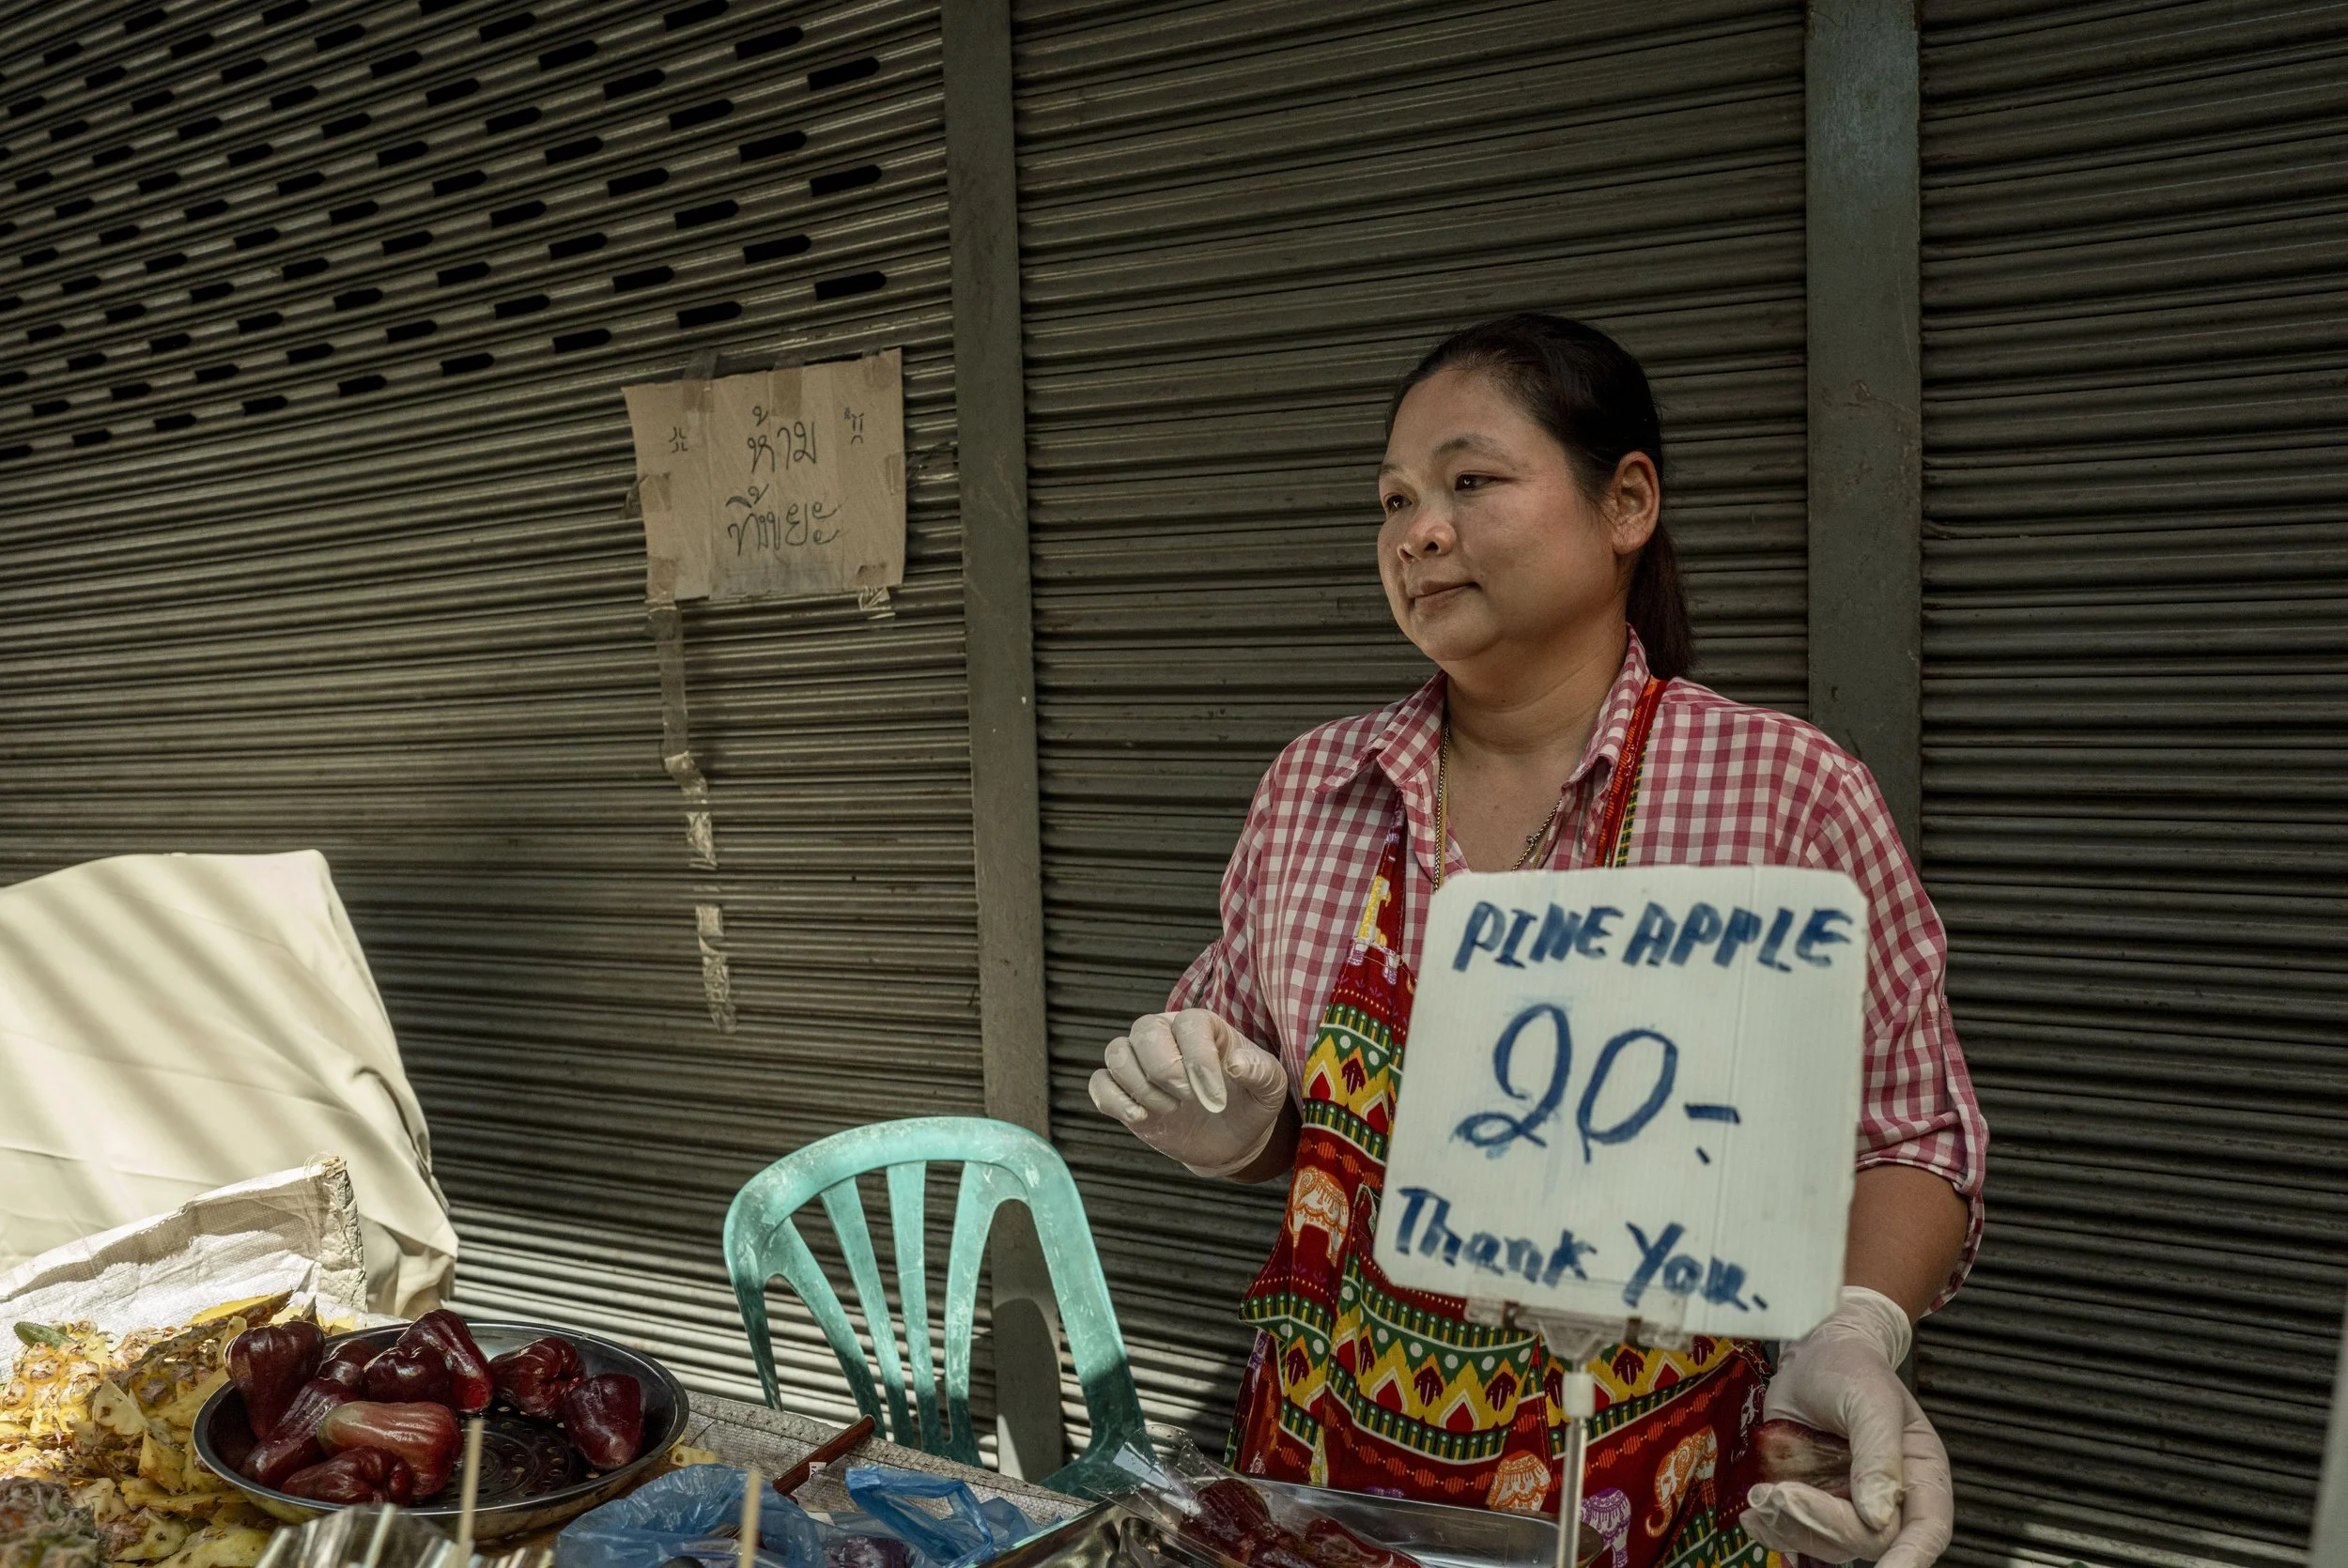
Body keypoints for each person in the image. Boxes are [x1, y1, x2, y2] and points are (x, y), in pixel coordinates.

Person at [1089, 314, 1985, 1568]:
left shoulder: (1784, 792)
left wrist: (1853, 1326)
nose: (1420, 529)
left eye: (1470, 480)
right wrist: (1237, 1129)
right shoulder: (1312, 788)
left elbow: (1909, 1134)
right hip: (1324, 1490)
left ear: (1626, 504)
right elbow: (1273, 1111)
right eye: (1394, 498)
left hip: (1658, 1502)